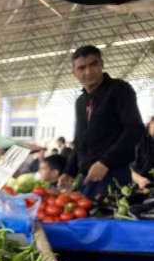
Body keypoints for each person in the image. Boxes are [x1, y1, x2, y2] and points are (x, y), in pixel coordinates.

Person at [58, 45, 145, 196]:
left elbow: (135, 129)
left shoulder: (120, 89)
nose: (88, 71)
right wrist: (69, 172)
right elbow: (80, 141)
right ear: (74, 73)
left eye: (93, 64)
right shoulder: (80, 101)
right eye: (82, 68)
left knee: (109, 217)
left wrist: (106, 162)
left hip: (114, 174)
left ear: (101, 64)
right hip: (87, 178)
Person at [131, 116, 154, 189]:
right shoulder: (137, 137)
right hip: (136, 185)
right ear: (151, 122)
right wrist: (139, 179)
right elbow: (124, 168)